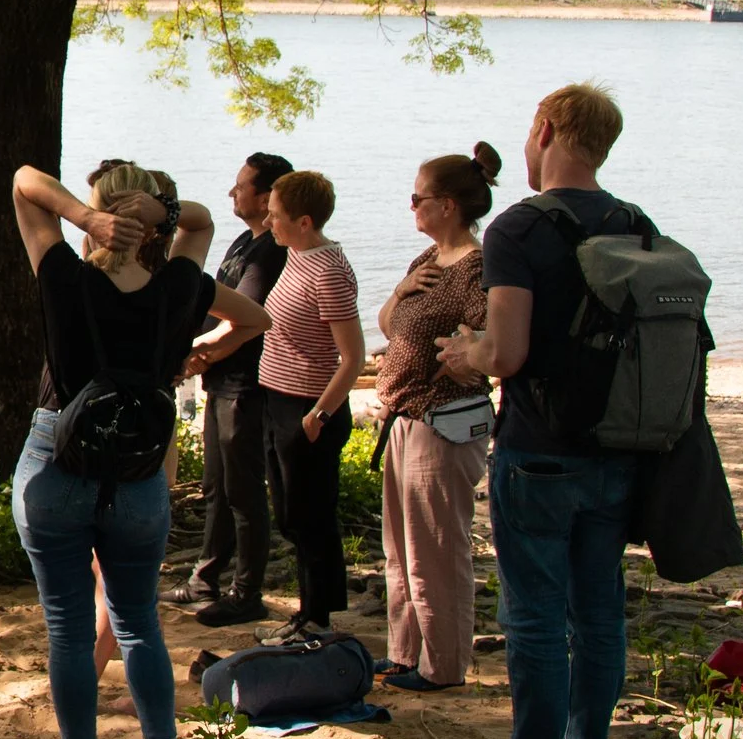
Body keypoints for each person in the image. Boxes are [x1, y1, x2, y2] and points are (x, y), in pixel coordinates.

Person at [10, 162, 265, 739]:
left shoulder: (62, 277)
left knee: (68, 627)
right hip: (139, 471)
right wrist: (163, 218)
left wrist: (84, 218)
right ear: (152, 219)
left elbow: (24, 182)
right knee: (138, 621)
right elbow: (202, 222)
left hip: (56, 460)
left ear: (101, 213)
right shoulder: (181, 286)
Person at [440, 84, 640, 739]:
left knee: (533, 617)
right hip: (617, 449)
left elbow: (509, 353)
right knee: (597, 613)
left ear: (547, 129)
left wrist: (467, 353)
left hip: (539, 450)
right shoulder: (634, 222)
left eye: (530, 132)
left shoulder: (517, 230)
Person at [372, 144, 501, 693]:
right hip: (404, 417)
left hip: (442, 422)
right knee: (400, 548)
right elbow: (388, 324)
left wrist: (462, 351)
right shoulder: (424, 263)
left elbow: (490, 339)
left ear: (448, 205)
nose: (411, 207)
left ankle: (444, 665)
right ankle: (406, 653)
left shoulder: (476, 267)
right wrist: (400, 292)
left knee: (437, 549)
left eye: (418, 198)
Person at [173, 151, 293, 625]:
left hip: (246, 388)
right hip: (219, 382)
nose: (232, 191)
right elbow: (213, 309)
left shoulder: (270, 252)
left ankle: (247, 593)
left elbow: (246, 318)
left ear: (266, 196)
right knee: (215, 488)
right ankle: (206, 578)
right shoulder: (245, 241)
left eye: (241, 185)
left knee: (244, 492)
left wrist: (190, 355)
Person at [255, 169, 366, 639]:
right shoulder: (297, 256)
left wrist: (319, 414)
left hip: (309, 408)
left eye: (276, 215)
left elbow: (355, 356)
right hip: (278, 400)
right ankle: (310, 611)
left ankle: (317, 618)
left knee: (311, 516)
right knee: (290, 514)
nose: (268, 220)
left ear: (304, 221)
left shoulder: (327, 270)